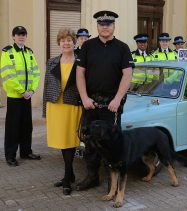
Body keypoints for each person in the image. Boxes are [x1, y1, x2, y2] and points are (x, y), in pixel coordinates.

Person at [76, 10, 133, 191]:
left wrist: (117, 99)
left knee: (113, 144)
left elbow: (127, 75)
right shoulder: (88, 46)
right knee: (90, 142)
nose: (105, 27)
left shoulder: (123, 48)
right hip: (91, 103)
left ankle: (113, 182)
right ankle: (92, 177)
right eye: (102, 24)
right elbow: (80, 73)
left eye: (108, 24)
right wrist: (84, 97)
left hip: (112, 105)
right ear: (98, 26)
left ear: (114, 26)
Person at [43, 28, 82, 195]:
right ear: (59, 43)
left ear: (74, 42)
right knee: (61, 141)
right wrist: (45, 111)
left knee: (70, 141)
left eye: (69, 40)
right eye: (63, 40)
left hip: (72, 106)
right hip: (55, 107)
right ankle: (70, 174)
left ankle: (67, 177)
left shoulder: (81, 61)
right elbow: (47, 87)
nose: (66, 43)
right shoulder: (51, 62)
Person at [0, 26, 41, 167]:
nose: (21, 36)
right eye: (18, 34)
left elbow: (36, 73)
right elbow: (8, 75)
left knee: (26, 126)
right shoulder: (7, 52)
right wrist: (21, 91)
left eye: (23, 34)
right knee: (13, 127)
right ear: (13, 37)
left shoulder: (29, 53)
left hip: (27, 96)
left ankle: (26, 152)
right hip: (15, 96)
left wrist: (32, 90)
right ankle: (10, 156)